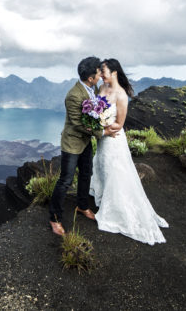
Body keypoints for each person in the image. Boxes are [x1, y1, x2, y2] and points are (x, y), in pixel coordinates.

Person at [89, 58, 168, 245]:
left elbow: (120, 124)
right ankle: (102, 198)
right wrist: (95, 122)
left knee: (116, 171)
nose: (101, 74)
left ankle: (117, 208)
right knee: (102, 166)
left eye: (104, 70)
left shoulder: (121, 95)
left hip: (113, 140)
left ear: (114, 72)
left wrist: (100, 124)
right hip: (103, 139)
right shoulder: (101, 89)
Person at [48, 56, 106, 236]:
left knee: (86, 174)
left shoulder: (93, 88)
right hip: (72, 143)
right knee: (65, 180)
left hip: (85, 142)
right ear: (90, 78)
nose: (100, 75)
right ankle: (54, 218)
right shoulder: (74, 95)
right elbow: (78, 123)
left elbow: (96, 111)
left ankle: (82, 206)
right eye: (98, 73)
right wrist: (102, 133)